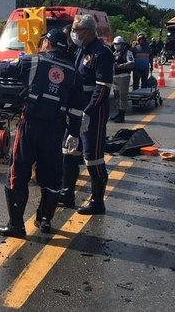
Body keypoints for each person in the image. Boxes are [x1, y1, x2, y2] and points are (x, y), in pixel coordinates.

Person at [0, 29, 83, 237]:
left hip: (30, 125)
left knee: (17, 171)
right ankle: (44, 219)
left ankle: (16, 225)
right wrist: (73, 132)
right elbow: (77, 107)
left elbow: (3, 68)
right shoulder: (73, 72)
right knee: (52, 175)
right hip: (56, 129)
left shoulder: (36, 61)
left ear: (48, 43)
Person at [60, 14, 114, 215]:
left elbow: (102, 88)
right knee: (69, 150)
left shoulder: (102, 53)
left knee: (92, 157)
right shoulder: (80, 51)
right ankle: (67, 193)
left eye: (77, 30)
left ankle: (97, 202)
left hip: (93, 113)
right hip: (76, 111)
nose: (74, 34)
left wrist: (88, 112)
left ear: (89, 31)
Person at [110, 36, 134, 123]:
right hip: (115, 77)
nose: (116, 45)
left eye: (118, 44)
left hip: (124, 76)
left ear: (122, 44)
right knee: (116, 96)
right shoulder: (114, 53)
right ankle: (118, 114)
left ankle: (121, 116)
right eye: (115, 44)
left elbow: (131, 64)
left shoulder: (128, 52)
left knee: (122, 97)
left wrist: (119, 66)